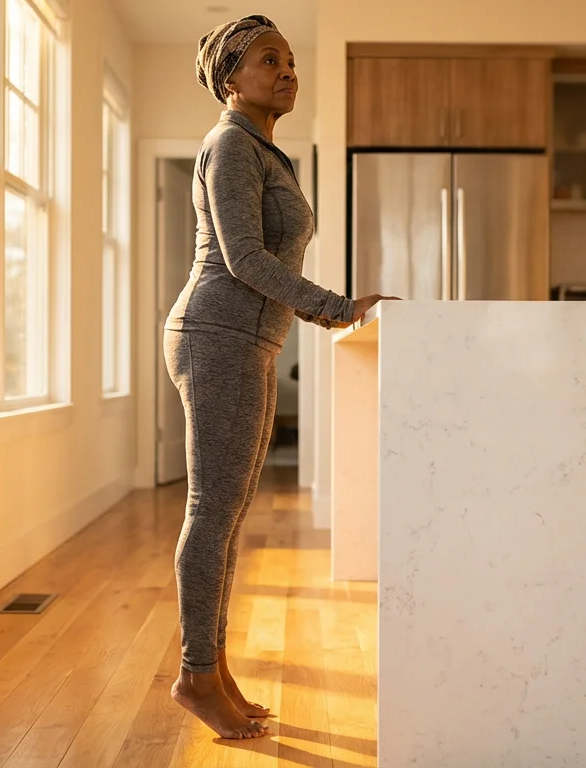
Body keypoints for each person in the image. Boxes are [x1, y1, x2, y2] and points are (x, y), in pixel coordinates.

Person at [164, 15, 394, 740]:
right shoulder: (231, 143)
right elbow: (242, 258)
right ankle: (196, 676)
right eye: (270, 60)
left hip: (246, 341)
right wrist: (335, 309)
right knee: (211, 509)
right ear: (232, 77)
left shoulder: (260, 149)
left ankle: (214, 666)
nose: (287, 70)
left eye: (292, 59)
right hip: (218, 334)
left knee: (227, 513)